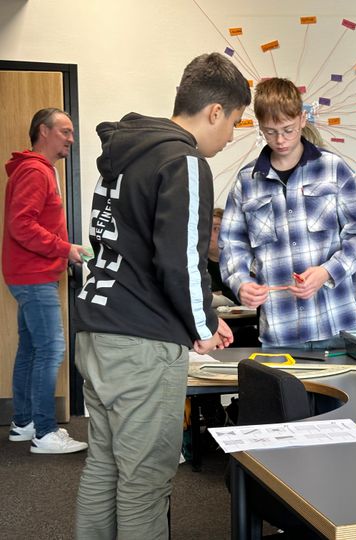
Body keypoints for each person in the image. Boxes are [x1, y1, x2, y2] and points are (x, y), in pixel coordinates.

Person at [73, 52, 250, 539]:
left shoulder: (125, 153)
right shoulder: (184, 160)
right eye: (234, 122)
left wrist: (199, 317)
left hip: (98, 329)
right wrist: (203, 324)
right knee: (145, 482)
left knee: (104, 467)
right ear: (215, 111)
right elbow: (179, 259)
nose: (231, 135)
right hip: (141, 343)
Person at [220, 77, 356, 349]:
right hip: (280, 331)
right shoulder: (247, 182)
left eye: (288, 129)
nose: (280, 140)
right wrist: (241, 282)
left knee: (343, 393)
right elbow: (232, 245)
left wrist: (327, 272)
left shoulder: (334, 170)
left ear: (303, 119)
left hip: (336, 325)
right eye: (270, 131)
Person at [2, 108, 89, 454]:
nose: (70, 138)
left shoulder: (37, 170)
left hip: (29, 274)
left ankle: (23, 423)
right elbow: (21, 226)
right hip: (34, 277)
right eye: (65, 132)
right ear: (43, 131)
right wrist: (64, 248)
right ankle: (45, 432)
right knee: (51, 349)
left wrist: (63, 249)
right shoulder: (36, 172)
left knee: (31, 349)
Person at [208, 207, 239, 305]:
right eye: (205, 228)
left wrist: (222, 294)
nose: (208, 234)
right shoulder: (196, 264)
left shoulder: (240, 262)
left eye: (216, 228)